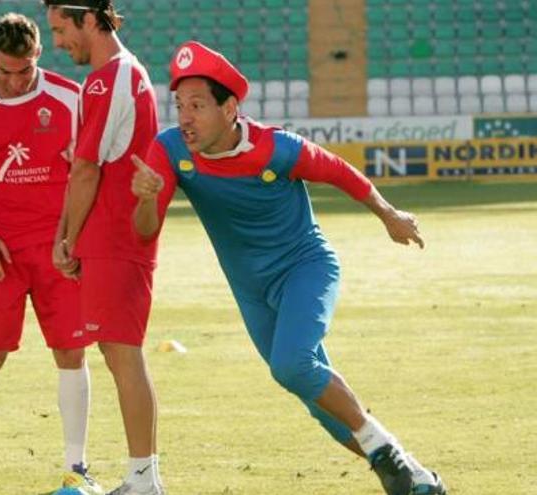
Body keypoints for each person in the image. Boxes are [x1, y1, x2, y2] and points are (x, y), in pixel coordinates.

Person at [130, 41, 447, 495]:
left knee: (292, 365)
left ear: (230, 108)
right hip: (252, 293)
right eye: (179, 105)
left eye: (198, 106)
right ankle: (410, 475)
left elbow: (339, 171)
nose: (185, 116)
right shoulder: (170, 149)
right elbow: (145, 230)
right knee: (321, 405)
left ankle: (389, 451)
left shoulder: (275, 148)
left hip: (305, 268)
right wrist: (146, 195)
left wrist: (389, 215)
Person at [0, 13, 100, 494]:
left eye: (24, 71)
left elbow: (85, 173)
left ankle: (78, 466)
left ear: (38, 57)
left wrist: (70, 237)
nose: (14, 81)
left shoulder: (69, 100)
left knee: (71, 351)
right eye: (5, 71)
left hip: (58, 250)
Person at [43, 2, 163, 494]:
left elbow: (87, 168)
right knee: (119, 356)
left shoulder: (107, 77)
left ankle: (145, 481)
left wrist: (65, 236)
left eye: (61, 29)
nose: (57, 42)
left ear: (88, 19)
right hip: (114, 234)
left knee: (124, 354)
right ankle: (142, 478)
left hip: (113, 234)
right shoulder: (125, 74)